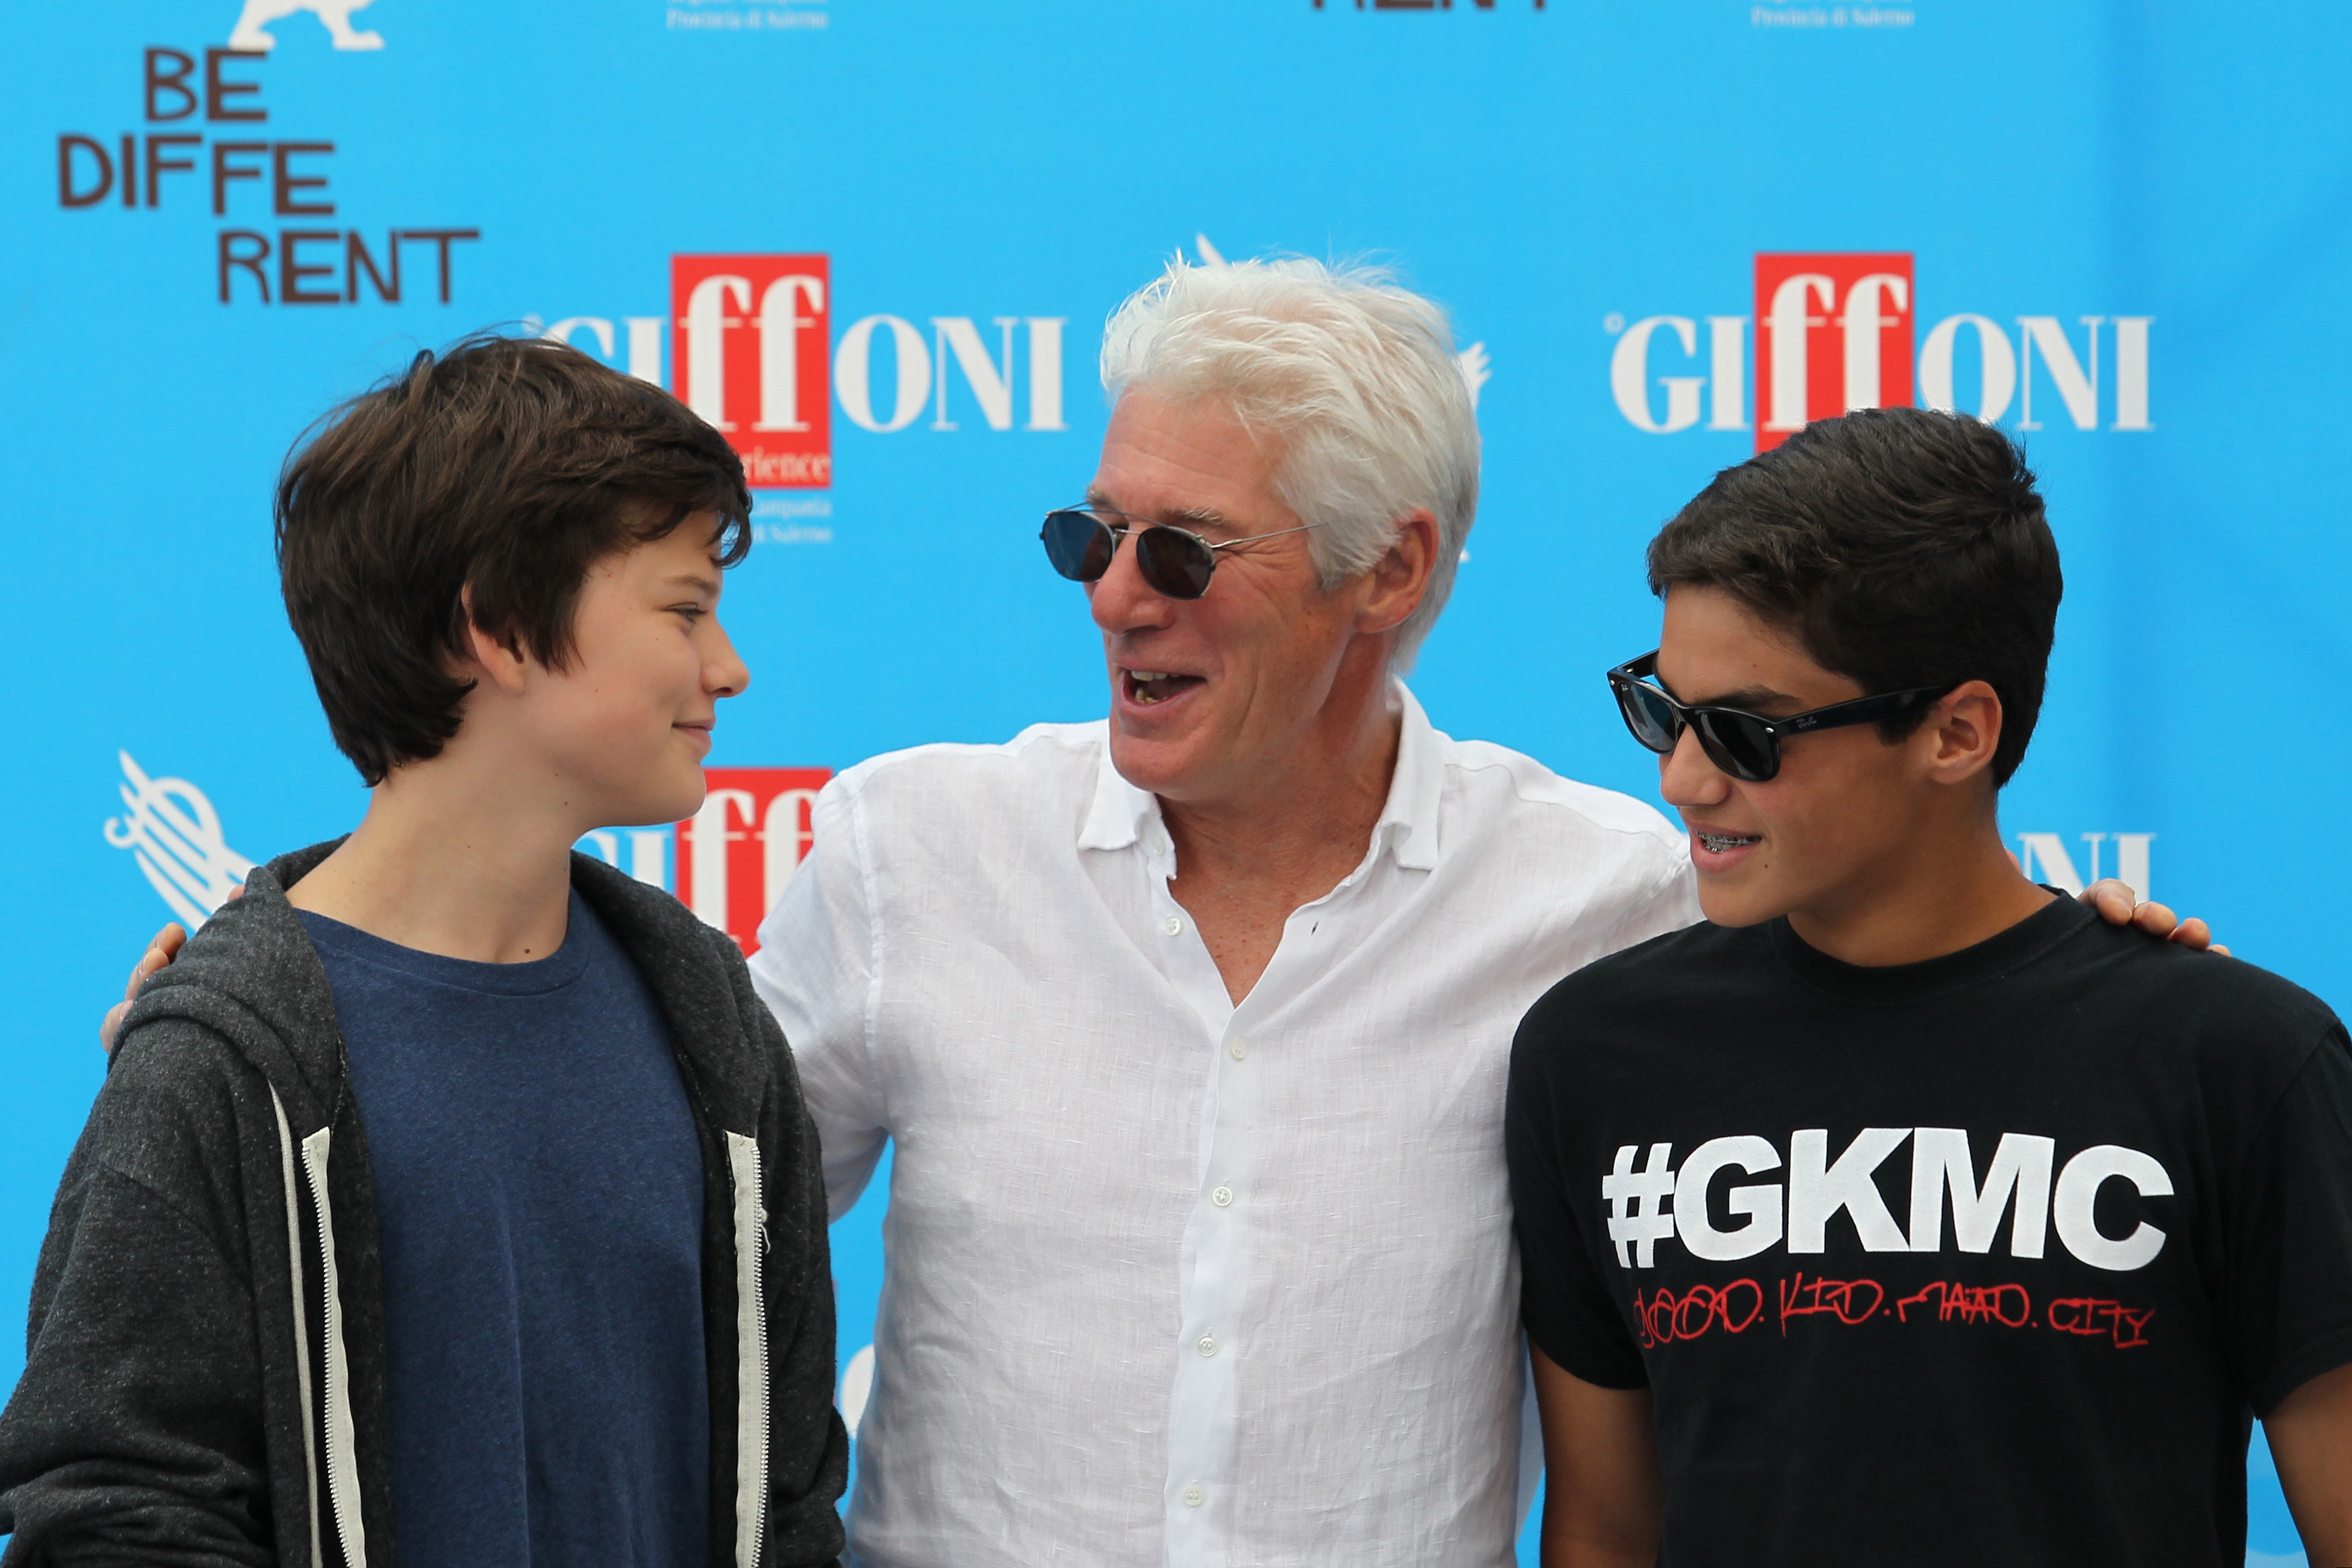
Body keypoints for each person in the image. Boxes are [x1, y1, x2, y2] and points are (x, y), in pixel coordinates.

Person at [89, 261, 2209, 1568]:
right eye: (1089, 535)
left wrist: (2098, 964)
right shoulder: (911, 847)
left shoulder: (1619, 895)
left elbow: (1920, 977)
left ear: (1392, 575)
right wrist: (291, 996)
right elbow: (623, 1172)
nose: (1115, 595)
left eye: (1183, 553)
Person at [2, 336, 848, 1566]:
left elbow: (785, 1496)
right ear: (499, 629)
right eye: (686, 610)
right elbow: (117, 1513)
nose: (729, 667)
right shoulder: (224, 1066)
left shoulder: (711, 1028)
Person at [1505, 406, 2352, 1566]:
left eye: (1748, 733)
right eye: (1661, 706)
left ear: (1956, 732)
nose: (1683, 779)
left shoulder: (2238, 1060)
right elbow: (1606, 1532)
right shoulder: (1593, 1054)